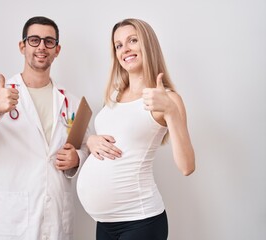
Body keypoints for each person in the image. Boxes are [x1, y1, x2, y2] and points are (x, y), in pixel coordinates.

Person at [0, 16, 89, 240]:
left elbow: (87, 147)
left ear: (57, 50)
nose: (41, 47)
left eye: (49, 41)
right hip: (12, 224)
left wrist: (78, 158)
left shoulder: (71, 101)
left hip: (56, 222)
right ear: (22, 46)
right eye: (34, 40)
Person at [76, 18, 195, 240]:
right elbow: (116, 137)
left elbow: (187, 166)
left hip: (139, 221)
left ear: (147, 44)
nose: (125, 49)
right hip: (105, 223)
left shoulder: (168, 98)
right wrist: (91, 142)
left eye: (133, 40)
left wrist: (170, 111)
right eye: (118, 45)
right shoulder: (113, 96)